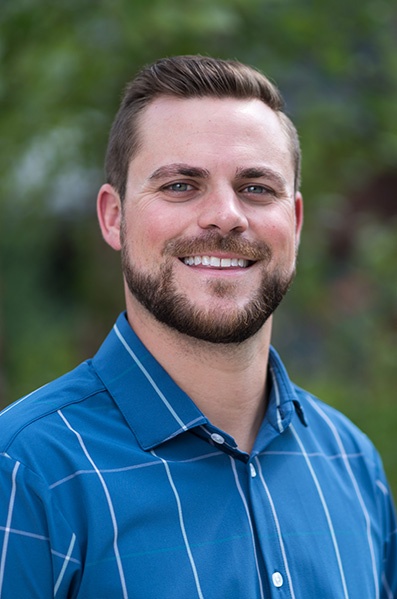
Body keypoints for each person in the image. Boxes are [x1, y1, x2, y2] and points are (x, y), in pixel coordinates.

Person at [0, 55, 395, 599]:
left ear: (296, 222)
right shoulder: (26, 471)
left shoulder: (352, 463)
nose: (226, 215)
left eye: (257, 187)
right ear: (114, 217)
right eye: (182, 185)